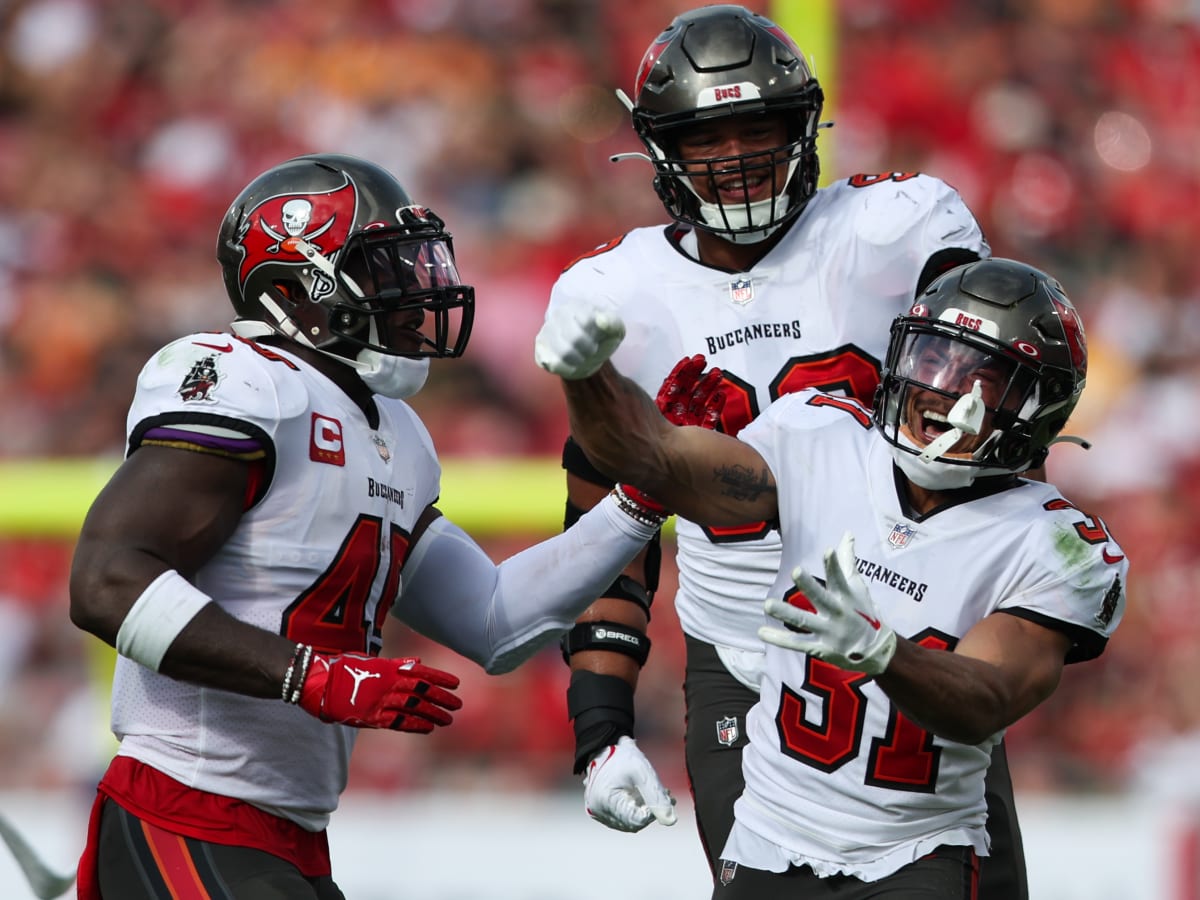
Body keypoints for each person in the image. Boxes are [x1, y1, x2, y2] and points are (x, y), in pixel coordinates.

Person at [66, 153, 672, 900]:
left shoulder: (395, 432)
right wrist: (308, 674)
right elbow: (105, 581)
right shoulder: (246, 383)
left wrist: (645, 493)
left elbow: (496, 620)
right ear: (295, 289)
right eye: (382, 270)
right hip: (184, 803)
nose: (414, 291)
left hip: (291, 832)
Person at [543, 5, 1028, 897]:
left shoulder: (896, 225)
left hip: (909, 628)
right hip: (743, 663)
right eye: (705, 136)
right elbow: (603, 538)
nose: (733, 157)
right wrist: (601, 726)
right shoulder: (616, 291)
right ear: (660, 150)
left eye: (756, 126)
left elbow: (997, 430)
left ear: (802, 125)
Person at [535, 255, 1127, 897]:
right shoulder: (818, 433)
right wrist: (587, 377)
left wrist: (881, 653)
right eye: (935, 359)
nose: (945, 389)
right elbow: (653, 456)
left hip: (917, 851)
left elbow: (986, 700)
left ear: (1039, 409)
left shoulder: (1055, 544)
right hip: (767, 835)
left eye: (985, 377)